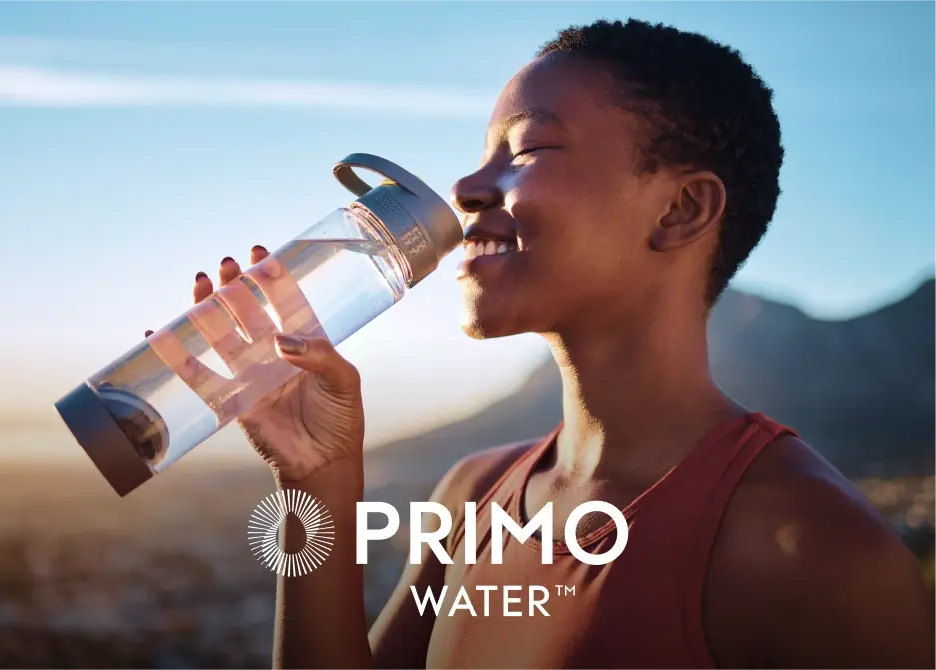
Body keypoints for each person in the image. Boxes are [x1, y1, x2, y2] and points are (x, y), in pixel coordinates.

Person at [182, 18, 934, 670]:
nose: (469, 186)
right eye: (482, 153)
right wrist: (315, 480)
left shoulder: (814, 554)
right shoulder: (472, 495)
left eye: (528, 147)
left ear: (680, 208)